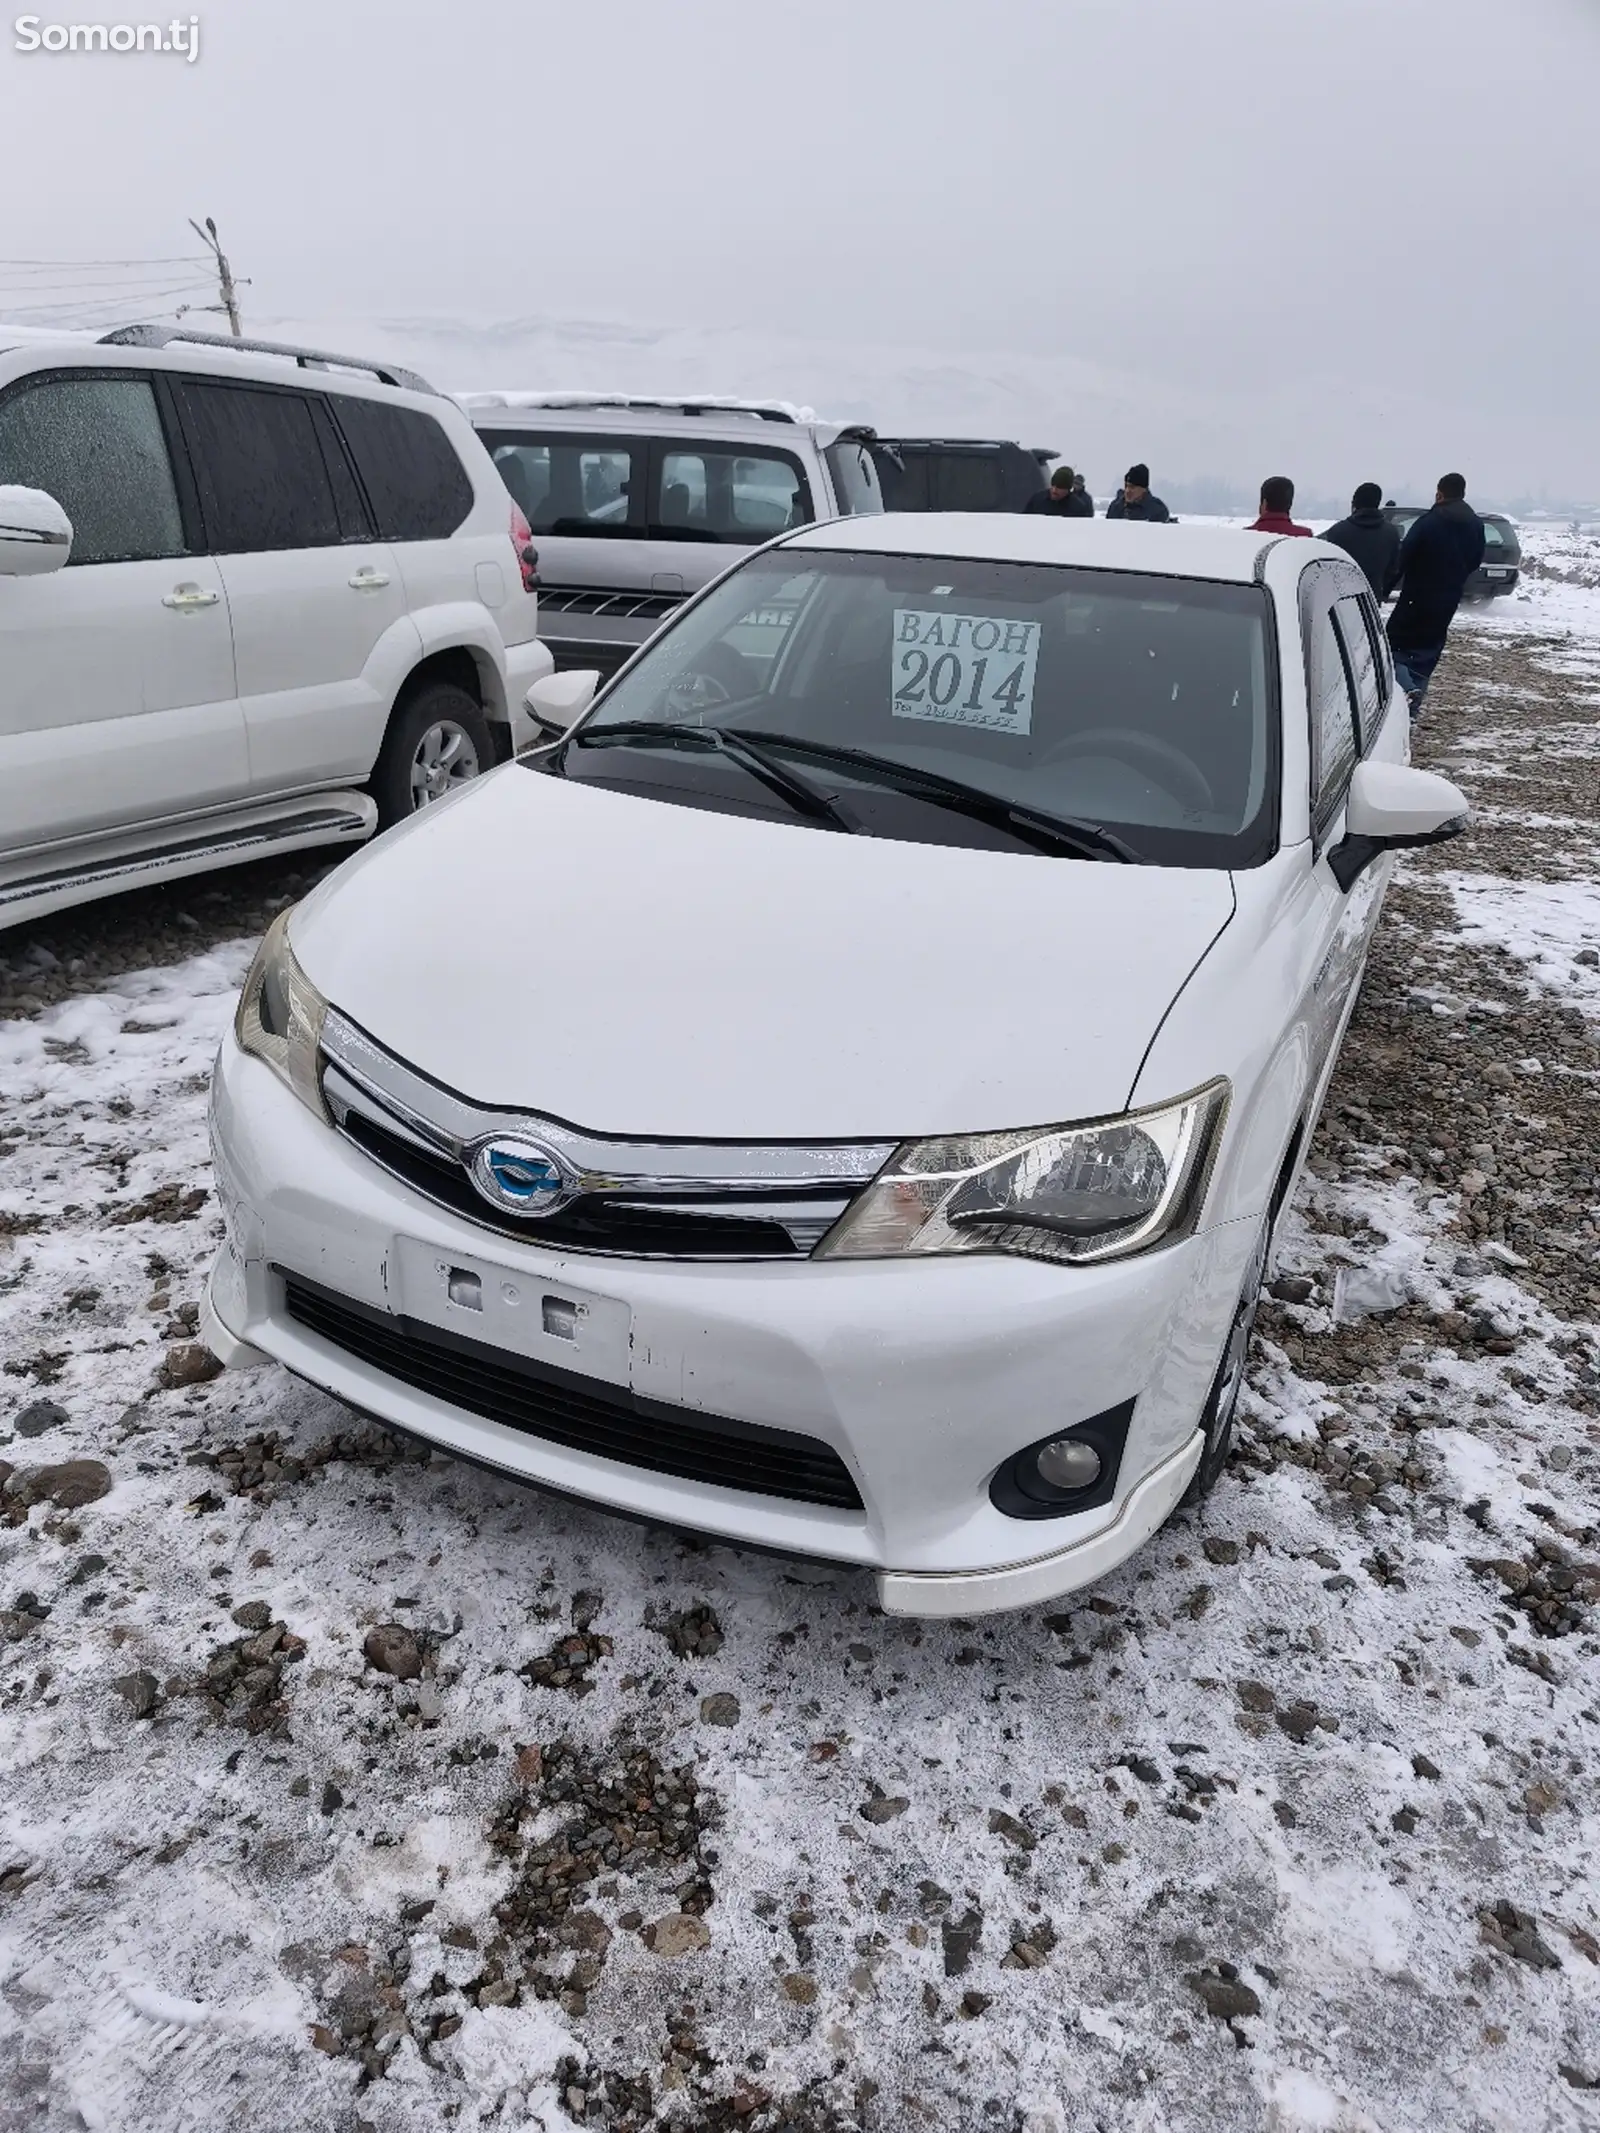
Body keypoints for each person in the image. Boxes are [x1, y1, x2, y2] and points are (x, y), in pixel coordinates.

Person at [1386, 472, 1486, 716]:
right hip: (1448, 600)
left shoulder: (1429, 521)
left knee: (1391, 648)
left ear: (1439, 493)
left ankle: (1405, 690)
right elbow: (1475, 560)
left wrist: (1388, 585)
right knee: (1427, 653)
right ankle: (1413, 709)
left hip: (1416, 596)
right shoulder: (1475, 524)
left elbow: (1404, 556)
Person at [1319, 482, 1403, 599]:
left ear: (1355, 503)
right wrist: (1382, 592)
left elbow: (1326, 570)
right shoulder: (1391, 533)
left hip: (1340, 600)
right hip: (1373, 599)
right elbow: (1394, 570)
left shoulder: (1337, 531)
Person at [1106, 463, 1172, 522]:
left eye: (1132, 487)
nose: (1128, 490)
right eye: (1126, 486)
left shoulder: (1157, 510)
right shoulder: (1116, 507)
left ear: (1143, 489)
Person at [1025, 465, 1094, 517]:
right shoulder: (1037, 500)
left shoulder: (1078, 508)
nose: (1054, 490)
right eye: (1053, 485)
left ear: (1068, 488)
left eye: (1059, 487)